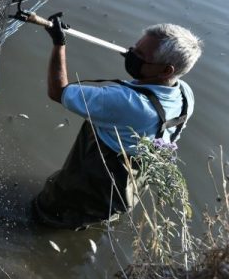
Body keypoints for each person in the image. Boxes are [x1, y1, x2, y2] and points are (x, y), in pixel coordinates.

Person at [32, 15, 203, 229]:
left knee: (45, 215)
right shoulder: (185, 93)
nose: (131, 54)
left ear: (166, 70)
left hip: (85, 188)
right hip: (124, 191)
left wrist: (59, 43)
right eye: (134, 48)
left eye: (140, 54)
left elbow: (58, 92)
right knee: (96, 217)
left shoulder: (128, 102)